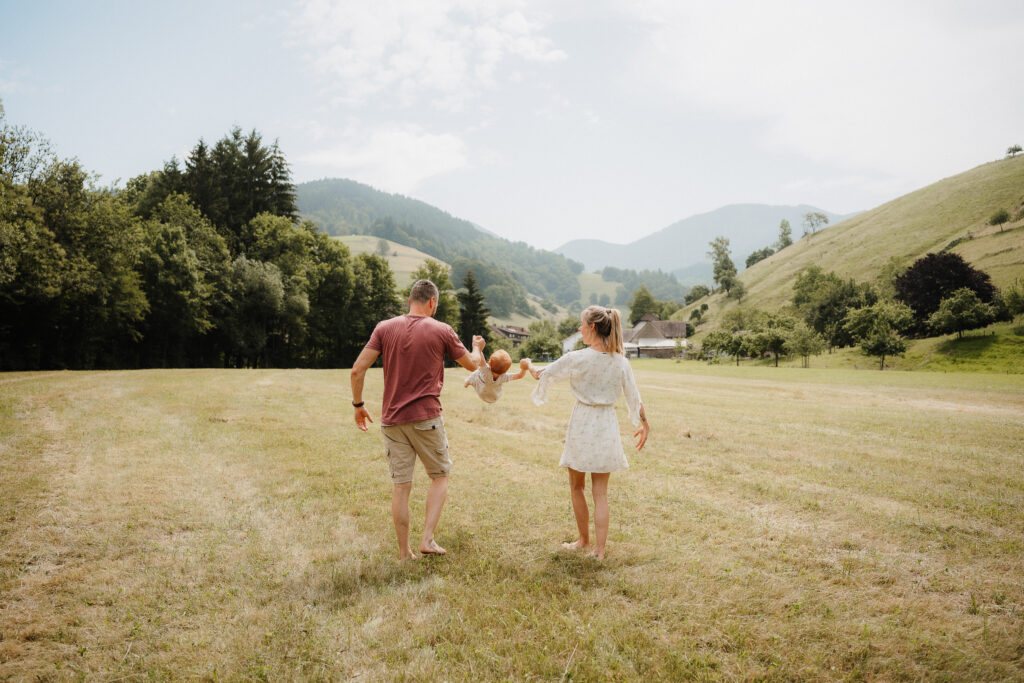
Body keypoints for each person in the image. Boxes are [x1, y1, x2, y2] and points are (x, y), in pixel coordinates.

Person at [350, 279, 484, 561]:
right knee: (440, 475)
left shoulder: (384, 328)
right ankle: (427, 539)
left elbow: (357, 369)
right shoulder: (442, 330)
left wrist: (359, 405)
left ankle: (404, 553)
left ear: (409, 300)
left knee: (401, 486)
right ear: (432, 302)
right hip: (426, 418)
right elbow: (473, 365)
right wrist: (478, 347)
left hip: (392, 420)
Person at [530, 306, 651, 560]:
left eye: (582, 324)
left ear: (593, 327)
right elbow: (634, 397)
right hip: (606, 425)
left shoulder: (577, 358)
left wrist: (527, 364)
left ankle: (584, 541)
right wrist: (644, 424)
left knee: (577, 487)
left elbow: (543, 374)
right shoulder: (620, 361)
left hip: (583, 423)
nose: (579, 329)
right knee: (601, 493)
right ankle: (599, 550)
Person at [464, 342, 535, 403]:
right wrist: (524, 368)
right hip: (494, 398)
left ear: (490, 363)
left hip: (481, 394)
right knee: (480, 372)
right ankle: (469, 381)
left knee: (477, 372)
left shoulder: (485, 371)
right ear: (506, 370)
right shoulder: (504, 377)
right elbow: (520, 375)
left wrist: (478, 346)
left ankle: (467, 382)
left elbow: (481, 359)